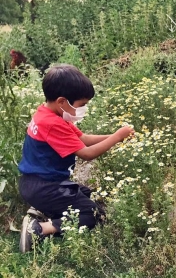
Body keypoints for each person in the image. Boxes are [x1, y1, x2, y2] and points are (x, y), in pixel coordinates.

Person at [18, 64, 134, 253]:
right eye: (82, 105)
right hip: (44, 187)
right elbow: (87, 154)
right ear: (62, 101)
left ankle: (43, 210)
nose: (84, 109)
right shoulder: (53, 124)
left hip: (37, 184)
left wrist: (116, 135)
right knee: (93, 215)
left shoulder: (47, 113)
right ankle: (39, 229)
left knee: (86, 193)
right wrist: (117, 137)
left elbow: (84, 139)